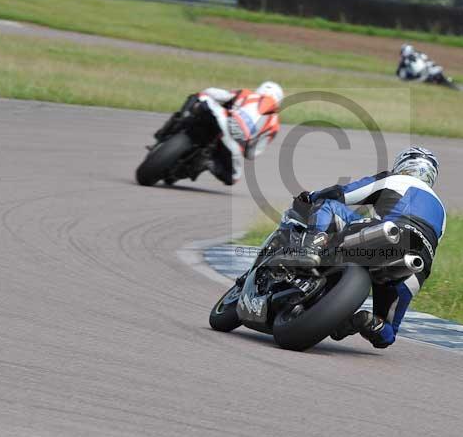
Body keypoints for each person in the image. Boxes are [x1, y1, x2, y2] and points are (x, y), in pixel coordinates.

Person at [291, 146, 446, 349]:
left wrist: (311, 196)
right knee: (387, 333)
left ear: (403, 165)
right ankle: (367, 322)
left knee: (328, 205)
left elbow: (343, 194)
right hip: (416, 266)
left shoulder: (394, 179)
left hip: (387, 233)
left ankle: (310, 250)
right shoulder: (442, 210)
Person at [154, 82, 283, 185]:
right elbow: (251, 154)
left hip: (219, 117)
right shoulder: (274, 124)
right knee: (233, 178)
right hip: (233, 145)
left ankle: (177, 121)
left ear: (259, 89)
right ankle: (209, 162)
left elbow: (213, 93)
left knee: (198, 96)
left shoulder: (246, 94)